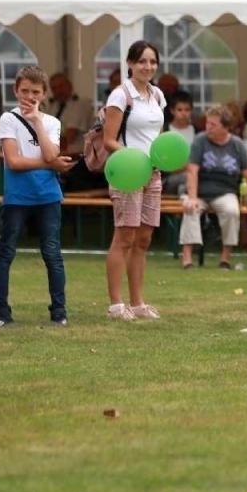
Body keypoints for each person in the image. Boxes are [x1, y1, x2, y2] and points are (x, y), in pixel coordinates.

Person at [0, 66, 75, 327]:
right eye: (25, 91)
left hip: (48, 194)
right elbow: (14, 161)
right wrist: (49, 165)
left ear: (44, 94)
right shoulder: (8, 119)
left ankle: (59, 312)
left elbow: (52, 153)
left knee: (52, 253)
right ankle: (1, 312)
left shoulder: (51, 122)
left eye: (36, 93)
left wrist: (38, 120)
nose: (29, 97)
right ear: (16, 90)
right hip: (17, 195)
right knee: (6, 251)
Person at [103, 39, 168, 321]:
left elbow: (157, 137)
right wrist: (135, 158)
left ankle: (138, 302)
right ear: (130, 64)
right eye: (142, 61)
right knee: (125, 236)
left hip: (153, 172)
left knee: (143, 237)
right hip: (129, 173)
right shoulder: (120, 95)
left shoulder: (157, 96)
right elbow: (108, 141)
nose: (148, 66)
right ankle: (117, 304)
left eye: (152, 61)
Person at [181, 104, 247, 269]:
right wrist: (193, 197)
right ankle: (187, 258)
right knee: (191, 208)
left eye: (213, 124)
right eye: (207, 123)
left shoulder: (237, 145)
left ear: (225, 127)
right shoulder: (200, 140)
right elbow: (192, 171)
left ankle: (225, 258)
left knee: (232, 210)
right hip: (199, 191)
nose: (207, 127)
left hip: (225, 192)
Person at [46, 72, 92, 154]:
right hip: (57, 154)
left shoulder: (80, 104)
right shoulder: (52, 106)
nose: (58, 91)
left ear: (69, 86)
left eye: (61, 86)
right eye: (54, 88)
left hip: (76, 155)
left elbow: (69, 137)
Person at [162, 91, 197, 196]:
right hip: (169, 179)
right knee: (187, 178)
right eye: (180, 110)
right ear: (172, 111)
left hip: (193, 175)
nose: (183, 113)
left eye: (187, 110)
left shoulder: (197, 131)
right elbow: (162, 163)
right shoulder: (164, 131)